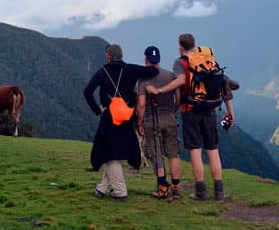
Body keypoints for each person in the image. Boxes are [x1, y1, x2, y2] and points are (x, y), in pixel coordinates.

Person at [146, 33, 234, 201]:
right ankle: (219, 192)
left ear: (180, 47)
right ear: (194, 45)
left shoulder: (181, 62)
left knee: (195, 149)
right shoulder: (207, 59)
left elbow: (180, 82)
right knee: (213, 150)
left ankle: (201, 191)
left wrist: (159, 91)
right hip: (210, 110)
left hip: (191, 110)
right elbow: (222, 83)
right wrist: (229, 110)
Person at [84, 44, 159, 200]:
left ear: (108, 56)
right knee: (112, 152)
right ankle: (102, 188)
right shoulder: (131, 69)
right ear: (122, 55)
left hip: (109, 118)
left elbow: (87, 91)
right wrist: (151, 60)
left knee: (109, 153)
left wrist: (98, 110)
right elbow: (153, 71)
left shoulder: (102, 72)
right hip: (126, 117)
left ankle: (120, 191)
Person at [136, 46, 183, 201]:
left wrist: (140, 122)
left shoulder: (143, 79)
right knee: (173, 153)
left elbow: (141, 104)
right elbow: (178, 98)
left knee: (156, 154)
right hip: (169, 117)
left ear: (146, 60)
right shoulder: (170, 75)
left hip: (152, 120)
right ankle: (176, 187)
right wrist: (172, 111)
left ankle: (163, 188)